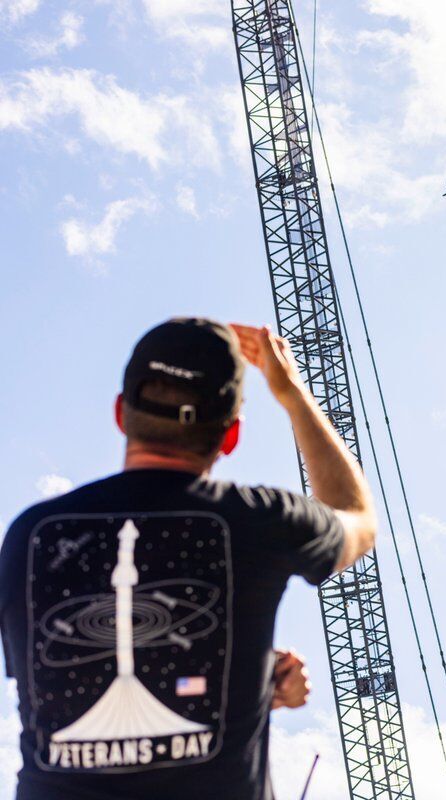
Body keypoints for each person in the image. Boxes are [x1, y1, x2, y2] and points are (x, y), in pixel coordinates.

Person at [0, 318, 377, 799]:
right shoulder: (260, 520)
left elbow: (58, 670)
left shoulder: (31, 535)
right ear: (231, 435)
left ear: (121, 412)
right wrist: (293, 395)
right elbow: (356, 519)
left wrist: (249, 674)